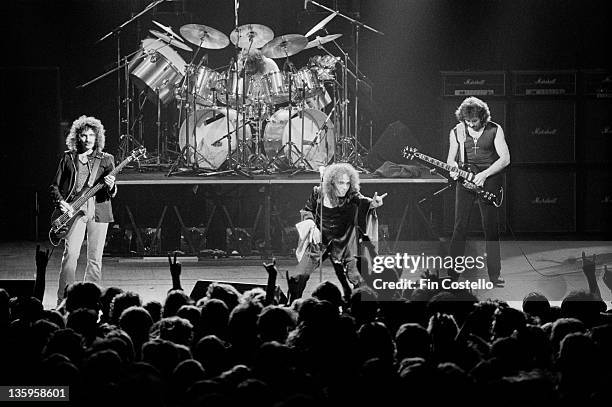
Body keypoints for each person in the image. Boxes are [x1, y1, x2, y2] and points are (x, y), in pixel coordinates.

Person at [289, 163, 387, 300]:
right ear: (331, 183)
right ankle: (293, 305)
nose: (344, 187)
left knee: (359, 278)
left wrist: (373, 204)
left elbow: (362, 201)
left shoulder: (351, 195)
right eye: (341, 183)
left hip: (345, 241)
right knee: (298, 276)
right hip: (321, 241)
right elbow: (306, 210)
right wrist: (312, 226)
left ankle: (358, 308)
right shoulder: (318, 193)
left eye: (347, 183)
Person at [50, 115, 117, 304]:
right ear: (76, 137)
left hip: (99, 208)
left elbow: (112, 191)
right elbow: (54, 186)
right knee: (70, 255)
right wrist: (61, 202)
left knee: (95, 259)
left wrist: (111, 186)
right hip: (74, 209)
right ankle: (63, 300)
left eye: (91, 135)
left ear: (97, 138)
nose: (87, 139)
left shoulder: (107, 159)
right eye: (83, 135)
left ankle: (91, 301)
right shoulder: (68, 157)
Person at [446, 97, 510, 286]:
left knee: (490, 228)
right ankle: (452, 274)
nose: (471, 124)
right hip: (465, 180)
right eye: (468, 121)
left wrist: (484, 175)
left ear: (482, 117)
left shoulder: (494, 129)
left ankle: (494, 275)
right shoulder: (457, 131)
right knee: (459, 228)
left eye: (474, 121)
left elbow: (505, 158)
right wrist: (452, 169)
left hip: (488, 180)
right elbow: (451, 159)